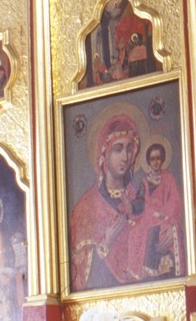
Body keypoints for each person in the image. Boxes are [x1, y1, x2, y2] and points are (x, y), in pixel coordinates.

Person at [69, 115, 145, 290]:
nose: (125, 157)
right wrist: (106, 244)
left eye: (130, 149)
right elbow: (78, 277)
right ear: (104, 153)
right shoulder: (86, 207)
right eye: (118, 149)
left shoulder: (139, 200)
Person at [134, 143, 184, 278]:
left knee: (163, 231)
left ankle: (164, 266)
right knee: (137, 232)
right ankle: (147, 269)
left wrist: (164, 214)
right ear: (148, 161)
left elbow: (175, 201)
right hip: (148, 216)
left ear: (162, 160)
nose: (155, 162)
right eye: (152, 159)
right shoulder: (144, 181)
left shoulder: (168, 178)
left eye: (158, 158)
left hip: (165, 216)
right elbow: (140, 202)